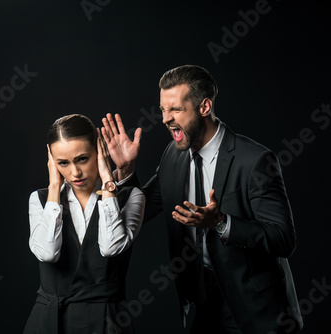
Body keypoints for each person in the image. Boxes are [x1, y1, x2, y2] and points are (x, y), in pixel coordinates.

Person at [100, 65, 303, 333]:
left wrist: (221, 222)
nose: (165, 118)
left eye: (175, 109)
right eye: (163, 109)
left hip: (255, 308)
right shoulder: (172, 155)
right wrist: (125, 171)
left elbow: (283, 239)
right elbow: (142, 209)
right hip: (202, 303)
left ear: (204, 107)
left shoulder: (254, 161)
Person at [23, 114, 145, 334]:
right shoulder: (39, 200)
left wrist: (108, 180)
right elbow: (48, 253)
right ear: (52, 162)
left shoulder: (131, 196)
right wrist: (53, 187)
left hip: (107, 321)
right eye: (63, 163)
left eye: (82, 159)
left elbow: (111, 247)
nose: (75, 172)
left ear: (99, 153)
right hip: (49, 322)